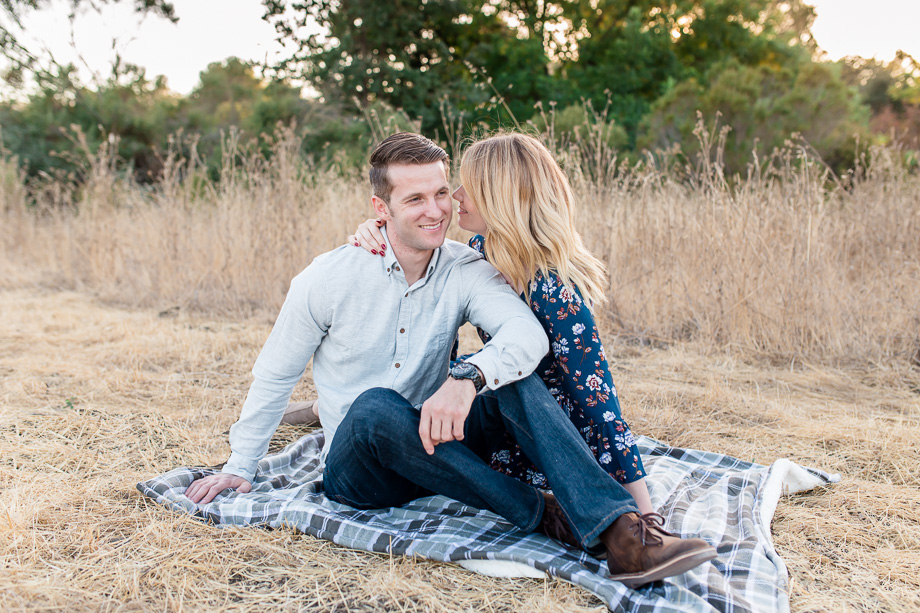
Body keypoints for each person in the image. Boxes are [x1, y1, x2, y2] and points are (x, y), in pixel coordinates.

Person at [185, 132, 716, 588]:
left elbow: (525, 336)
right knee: (374, 408)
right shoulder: (326, 279)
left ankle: (626, 538)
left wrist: (469, 375)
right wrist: (240, 466)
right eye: (415, 198)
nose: (436, 209)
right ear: (381, 209)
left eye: (441, 192)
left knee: (510, 375)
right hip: (364, 468)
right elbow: (275, 375)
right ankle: (547, 516)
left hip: (442, 443)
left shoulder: (467, 265)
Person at [344, 133, 654, 515]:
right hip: (497, 431)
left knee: (508, 375)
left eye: (467, 188)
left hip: (547, 440)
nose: (455, 196)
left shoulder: (553, 287)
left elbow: (600, 406)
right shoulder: (481, 254)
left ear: (499, 199)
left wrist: (643, 510)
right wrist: (377, 226)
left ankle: (587, 514)